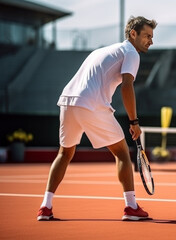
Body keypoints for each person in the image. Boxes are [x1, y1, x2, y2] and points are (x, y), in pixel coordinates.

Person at [37, 16, 157, 221]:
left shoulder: (101, 50)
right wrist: (134, 122)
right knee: (121, 153)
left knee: (64, 153)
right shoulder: (131, 53)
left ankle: (45, 207)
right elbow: (127, 86)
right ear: (133, 34)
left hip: (67, 102)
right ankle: (131, 207)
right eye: (147, 35)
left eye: (152, 37)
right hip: (91, 104)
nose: (151, 41)